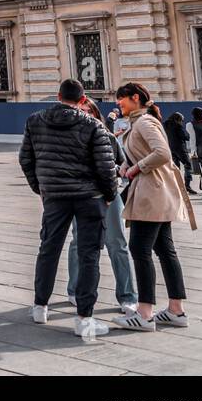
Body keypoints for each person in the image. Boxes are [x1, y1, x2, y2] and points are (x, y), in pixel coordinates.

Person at [18, 80, 119, 338]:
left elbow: (26, 159)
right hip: (89, 198)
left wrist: (41, 188)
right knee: (89, 256)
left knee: (48, 250)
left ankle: (40, 306)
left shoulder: (35, 121)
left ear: (59, 96)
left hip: (55, 197)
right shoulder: (93, 125)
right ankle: (84, 318)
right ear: (83, 99)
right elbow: (106, 167)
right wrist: (109, 196)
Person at [112, 82, 196, 332]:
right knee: (164, 249)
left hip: (152, 193)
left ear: (135, 98)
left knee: (139, 249)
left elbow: (163, 153)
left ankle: (145, 313)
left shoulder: (145, 122)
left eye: (122, 100)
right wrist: (128, 165)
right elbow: (147, 153)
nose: (119, 104)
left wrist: (137, 168)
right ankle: (175, 310)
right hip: (155, 192)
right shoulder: (140, 122)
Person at [64, 96, 138, 318]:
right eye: (81, 111)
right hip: (82, 198)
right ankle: (74, 289)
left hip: (109, 197)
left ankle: (127, 297)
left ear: (97, 115)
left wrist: (115, 187)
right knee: (78, 243)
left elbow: (125, 168)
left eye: (90, 111)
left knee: (118, 244)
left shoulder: (108, 138)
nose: (86, 115)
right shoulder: (71, 142)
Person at [162, 112, 197, 195]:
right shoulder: (178, 126)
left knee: (176, 168)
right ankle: (187, 186)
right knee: (188, 165)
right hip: (180, 149)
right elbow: (184, 137)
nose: (182, 122)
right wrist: (191, 136)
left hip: (170, 148)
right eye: (182, 120)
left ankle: (176, 186)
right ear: (178, 119)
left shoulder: (165, 125)